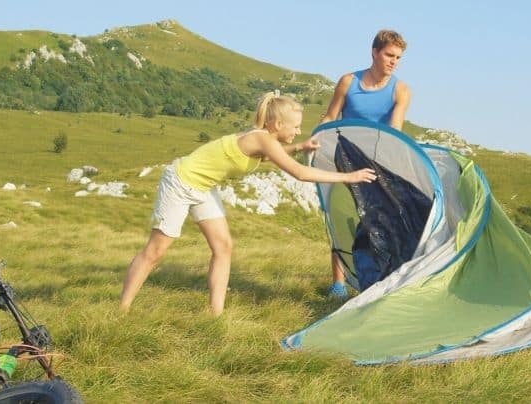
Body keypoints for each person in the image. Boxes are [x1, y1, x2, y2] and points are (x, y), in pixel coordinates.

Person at [120, 91, 376, 316]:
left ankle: (215, 314)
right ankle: (122, 310)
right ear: (277, 124)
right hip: (181, 182)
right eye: (295, 127)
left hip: (203, 187)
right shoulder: (263, 139)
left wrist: (299, 146)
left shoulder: (263, 139)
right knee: (155, 252)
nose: (298, 130)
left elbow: (265, 158)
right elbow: (300, 173)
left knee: (223, 247)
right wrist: (349, 176)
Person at [319, 29, 411, 298]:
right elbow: (330, 117)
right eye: (389, 55)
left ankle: (375, 276)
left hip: (378, 164)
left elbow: (395, 130)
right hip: (345, 159)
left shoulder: (401, 91)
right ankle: (338, 283)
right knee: (342, 214)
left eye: (398, 57)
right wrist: (316, 139)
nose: (394, 61)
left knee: (374, 220)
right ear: (374, 52)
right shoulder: (349, 82)